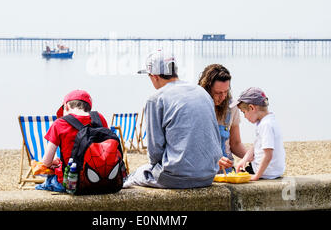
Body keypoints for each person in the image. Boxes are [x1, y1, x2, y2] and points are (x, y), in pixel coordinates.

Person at [123, 49, 223, 189]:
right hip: (208, 175)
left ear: (154, 76)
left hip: (176, 178)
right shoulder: (202, 93)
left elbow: (155, 152)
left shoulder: (156, 99)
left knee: (135, 175)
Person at [41, 90, 109, 169]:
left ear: (66, 106)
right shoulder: (99, 118)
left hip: (71, 178)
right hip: (101, 175)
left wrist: (52, 162)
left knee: (49, 178)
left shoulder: (59, 123)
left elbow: (46, 162)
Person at [198, 64, 247, 173]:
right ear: (206, 89)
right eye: (218, 93)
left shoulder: (231, 107)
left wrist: (251, 157)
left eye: (226, 91)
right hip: (203, 170)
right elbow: (192, 146)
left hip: (227, 170)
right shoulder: (196, 107)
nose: (223, 97)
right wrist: (212, 160)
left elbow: (235, 143)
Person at [231, 87, 286, 180]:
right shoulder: (269, 120)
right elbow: (256, 145)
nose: (244, 117)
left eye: (244, 112)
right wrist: (244, 160)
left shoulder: (266, 125)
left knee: (235, 177)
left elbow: (268, 154)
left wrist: (256, 176)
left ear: (252, 108)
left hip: (265, 172)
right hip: (273, 171)